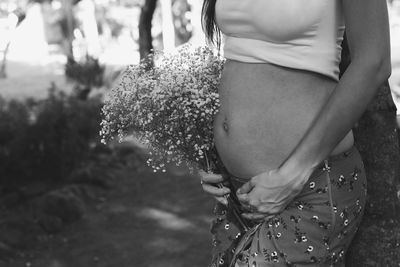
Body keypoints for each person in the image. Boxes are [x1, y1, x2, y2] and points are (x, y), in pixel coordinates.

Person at [198, 0, 391, 266]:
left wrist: (293, 175)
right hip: (238, 194)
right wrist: (208, 152)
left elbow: (374, 62)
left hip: (308, 186)